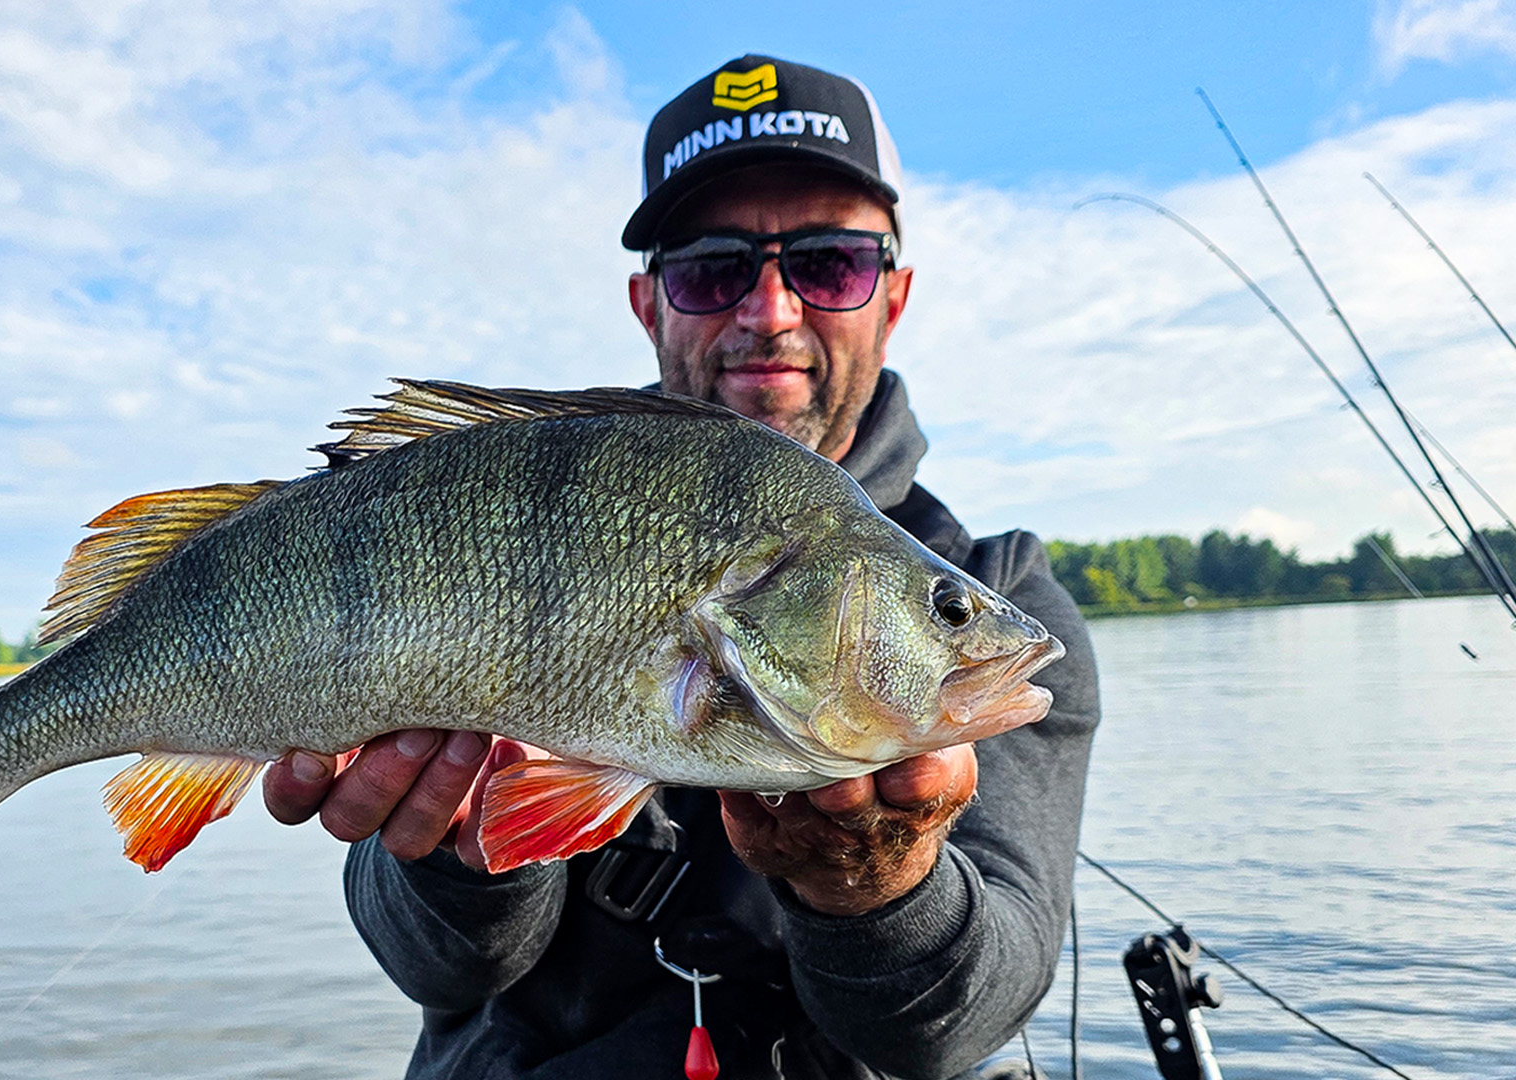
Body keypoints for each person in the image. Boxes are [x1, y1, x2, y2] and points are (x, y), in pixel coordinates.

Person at [262, 55, 1099, 1080]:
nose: (772, 311)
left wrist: (877, 885)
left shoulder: (1000, 579)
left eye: (830, 263)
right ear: (647, 302)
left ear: (894, 294)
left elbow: (965, 1020)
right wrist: (458, 852)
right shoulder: (504, 500)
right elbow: (438, 971)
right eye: (713, 267)